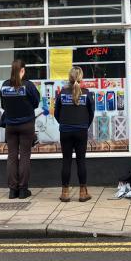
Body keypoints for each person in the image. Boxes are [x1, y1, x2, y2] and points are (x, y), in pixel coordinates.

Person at [0, 59, 40, 199]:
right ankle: (23, 190)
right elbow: (36, 102)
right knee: (24, 156)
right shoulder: (28, 86)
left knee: (11, 156)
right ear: (22, 70)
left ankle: (12, 191)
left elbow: (3, 105)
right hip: (27, 125)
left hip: (10, 125)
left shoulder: (4, 85)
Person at [54, 66, 95, 202]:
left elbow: (57, 113)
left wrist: (64, 124)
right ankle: (83, 193)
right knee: (81, 161)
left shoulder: (62, 93)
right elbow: (91, 113)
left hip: (65, 131)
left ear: (69, 77)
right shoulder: (87, 93)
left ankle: (65, 193)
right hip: (81, 131)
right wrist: (83, 126)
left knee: (66, 160)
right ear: (81, 78)